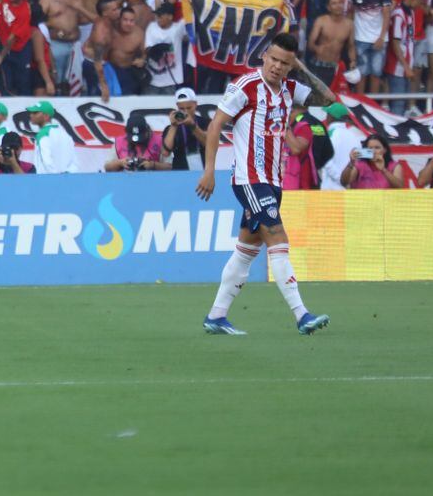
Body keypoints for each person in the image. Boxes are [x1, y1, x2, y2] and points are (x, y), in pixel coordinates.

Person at [195, 31, 337, 336]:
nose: (277, 66)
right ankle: (302, 315)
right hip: (249, 178)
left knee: (247, 249)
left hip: (272, 181)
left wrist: (301, 69)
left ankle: (216, 316)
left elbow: (328, 99)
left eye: (284, 62)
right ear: (264, 57)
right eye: (273, 59)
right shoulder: (245, 86)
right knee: (278, 237)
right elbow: (216, 124)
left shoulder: (289, 88)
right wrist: (209, 170)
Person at [161, 87, 211, 170]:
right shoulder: (171, 128)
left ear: (195, 104)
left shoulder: (205, 122)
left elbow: (209, 144)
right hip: (180, 171)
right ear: (177, 107)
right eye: (182, 109)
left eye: (189, 108)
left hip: (203, 168)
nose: (186, 112)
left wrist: (193, 126)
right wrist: (174, 126)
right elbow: (165, 153)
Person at [340, 133, 409, 189]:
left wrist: (383, 170)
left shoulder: (394, 166)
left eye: (377, 148)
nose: (373, 151)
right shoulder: (360, 165)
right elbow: (344, 182)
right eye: (370, 148)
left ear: (384, 150)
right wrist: (351, 162)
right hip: (362, 204)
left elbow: (400, 187)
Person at [26, 100, 77, 174]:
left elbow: (46, 161)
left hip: (47, 180)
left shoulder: (43, 134)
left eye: (35, 113)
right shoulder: (65, 134)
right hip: (66, 179)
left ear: (46, 116)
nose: (31, 115)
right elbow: (74, 161)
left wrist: (54, 177)